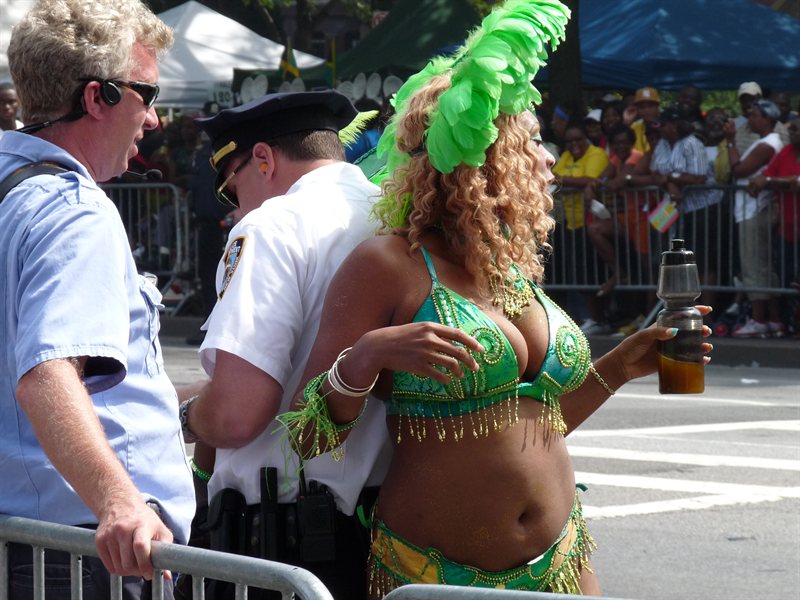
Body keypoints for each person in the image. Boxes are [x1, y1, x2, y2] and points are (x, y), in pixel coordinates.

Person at [278, 1, 712, 596]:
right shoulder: (388, 264)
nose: (546, 158)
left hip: (562, 560)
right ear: (483, 158)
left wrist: (619, 367)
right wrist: (368, 356)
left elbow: (536, 424)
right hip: (434, 574)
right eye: (530, 141)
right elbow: (305, 437)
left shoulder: (508, 267)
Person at [0, 1, 194, 599]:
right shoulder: (74, 211)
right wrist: (119, 501)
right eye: (147, 94)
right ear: (97, 98)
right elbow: (47, 374)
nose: (155, 119)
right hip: (91, 554)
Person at [180, 90, 392, 600]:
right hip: (386, 531)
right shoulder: (396, 213)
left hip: (284, 540)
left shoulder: (272, 225)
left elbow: (236, 416)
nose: (235, 209)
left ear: (263, 159)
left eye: (232, 190)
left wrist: (180, 417)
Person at [725, 99, 785, 337]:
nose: (750, 119)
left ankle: (759, 319)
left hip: (754, 211)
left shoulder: (768, 144)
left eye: (755, 115)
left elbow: (738, 169)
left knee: (754, 266)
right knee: (763, 266)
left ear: (767, 118)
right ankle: (774, 320)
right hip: (753, 209)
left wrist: (730, 140)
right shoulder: (767, 142)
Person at [551, 123, 610, 332]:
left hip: (593, 220)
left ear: (587, 139)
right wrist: (568, 181)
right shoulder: (567, 156)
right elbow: (553, 176)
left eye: (578, 140)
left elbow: (590, 179)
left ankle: (596, 318)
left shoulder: (597, 154)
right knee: (578, 270)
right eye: (570, 141)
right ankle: (585, 318)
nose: (574, 144)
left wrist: (564, 180)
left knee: (591, 270)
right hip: (570, 222)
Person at [748, 116, 800, 324]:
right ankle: (790, 323)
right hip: (786, 230)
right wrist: (762, 181)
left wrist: (769, 181)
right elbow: (766, 177)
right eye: (791, 130)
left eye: (796, 129)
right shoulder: (785, 153)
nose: (792, 133)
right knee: (788, 280)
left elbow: (796, 183)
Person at [629, 86, 661, 153]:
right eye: (642, 107)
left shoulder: (666, 126)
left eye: (651, 106)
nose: (647, 110)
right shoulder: (634, 127)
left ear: (658, 107)